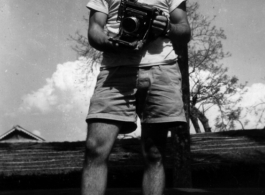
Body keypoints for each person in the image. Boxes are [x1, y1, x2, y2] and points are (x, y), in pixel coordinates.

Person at [81, 0, 191, 194]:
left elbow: (184, 31)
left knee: (154, 153)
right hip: (116, 71)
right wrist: (112, 43)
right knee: (95, 148)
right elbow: (94, 30)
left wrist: (166, 27)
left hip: (162, 69)